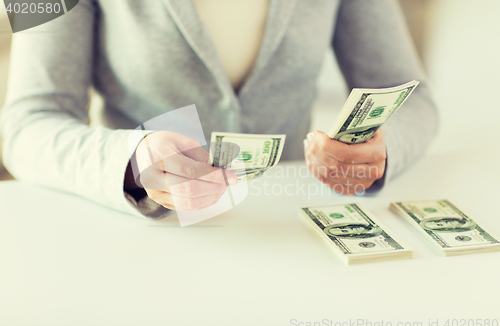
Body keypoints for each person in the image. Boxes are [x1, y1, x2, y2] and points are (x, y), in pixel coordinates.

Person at [0, 0, 438, 218]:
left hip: (290, 232)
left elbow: (413, 97)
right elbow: (24, 125)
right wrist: (128, 162)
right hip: (143, 238)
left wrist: (381, 151)